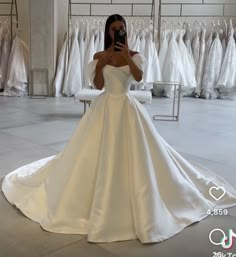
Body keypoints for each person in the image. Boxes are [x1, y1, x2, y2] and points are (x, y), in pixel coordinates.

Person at [1, 14, 236, 244]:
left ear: (126, 30)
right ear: (107, 32)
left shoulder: (135, 55)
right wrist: (102, 62)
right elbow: (98, 85)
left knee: (140, 156)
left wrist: (125, 55)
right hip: (104, 108)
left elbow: (138, 77)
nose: (117, 32)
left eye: (121, 28)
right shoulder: (98, 55)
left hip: (127, 108)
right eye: (114, 29)